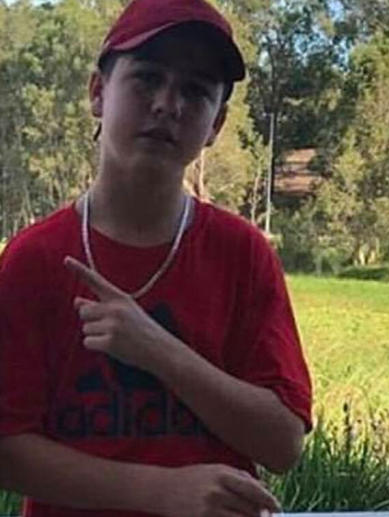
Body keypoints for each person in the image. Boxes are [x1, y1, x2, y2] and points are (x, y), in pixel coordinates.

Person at [0, 1, 313, 515]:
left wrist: (158, 350)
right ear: (98, 93)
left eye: (196, 90)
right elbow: (8, 450)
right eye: (147, 78)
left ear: (216, 123)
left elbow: (282, 443)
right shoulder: (35, 260)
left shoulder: (243, 255)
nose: (169, 104)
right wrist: (161, 492)